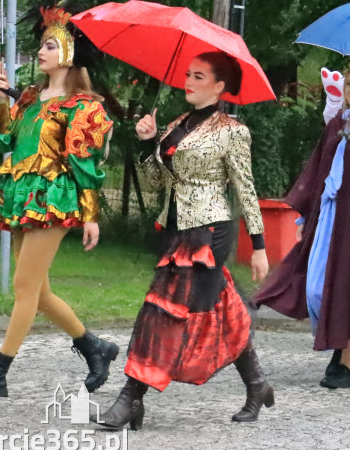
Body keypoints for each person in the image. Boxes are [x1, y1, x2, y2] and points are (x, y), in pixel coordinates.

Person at [96, 52, 271, 430]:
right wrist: (147, 143)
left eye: (199, 76)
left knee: (162, 310)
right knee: (222, 309)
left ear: (220, 86)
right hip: (176, 228)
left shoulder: (232, 131)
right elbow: (159, 183)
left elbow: (246, 188)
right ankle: (257, 385)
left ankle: (131, 398)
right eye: (187, 75)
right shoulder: (176, 124)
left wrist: (258, 245)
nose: (188, 81)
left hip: (210, 229)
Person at [0, 6, 117, 400]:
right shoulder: (30, 98)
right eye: (40, 44)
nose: (40, 51)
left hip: (55, 201)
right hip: (24, 197)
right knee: (36, 293)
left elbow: (85, 163)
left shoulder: (84, 106)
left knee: (23, 287)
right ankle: (95, 347)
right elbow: (6, 142)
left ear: (68, 53)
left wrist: (91, 215)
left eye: (49, 44)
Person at [255, 61, 350, 389]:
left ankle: (343, 362)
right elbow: (319, 168)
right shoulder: (337, 124)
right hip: (328, 218)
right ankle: (344, 343)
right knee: (316, 288)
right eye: (349, 84)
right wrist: (305, 216)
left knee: (347, 285)